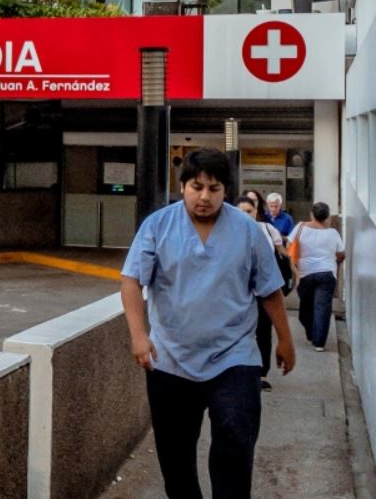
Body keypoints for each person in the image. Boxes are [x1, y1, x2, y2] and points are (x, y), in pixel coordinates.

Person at [121, 148, 296, 499]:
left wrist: (285, 339)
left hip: (234, 356)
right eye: (196, 187)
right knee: (175, 456)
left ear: (225, 191)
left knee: (235, 435)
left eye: (214, 188)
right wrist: (140, 337)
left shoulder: (246, 230)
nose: (204, 196)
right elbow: (131, 281)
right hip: (171, 358)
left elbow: (269, 290)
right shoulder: (157, 226)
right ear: (183, 186)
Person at [236, 196, 290, 392]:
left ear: (256, 212)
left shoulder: (266, 230)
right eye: (240, 211)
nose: (245, 215)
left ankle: (261, 372)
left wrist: (293, 271)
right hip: (238, 295)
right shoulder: (224, 234)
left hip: (262, 292)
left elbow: (281, 254)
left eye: (248, 211)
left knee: (263, 332)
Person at [291, 202, 345, 351]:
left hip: (305, 273)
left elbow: (289, 244)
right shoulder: (333, 233)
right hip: (327, 273)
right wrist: (334, 263)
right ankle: (319, 342)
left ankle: (311, 333)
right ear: (327, 217)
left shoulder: (300, 227)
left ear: (312, 214)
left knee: (306, 307)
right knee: (323, 307)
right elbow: (341, 253)